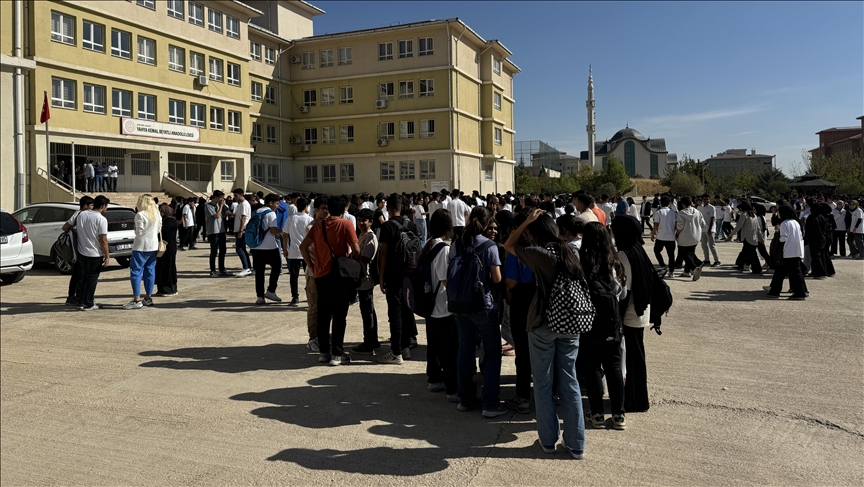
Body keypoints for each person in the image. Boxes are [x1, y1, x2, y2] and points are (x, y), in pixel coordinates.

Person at [504, 208, 585, 458]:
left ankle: (548, 440)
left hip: (544, 322)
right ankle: (576, 443)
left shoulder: (539, 254)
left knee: (542, 382)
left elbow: (509, 244)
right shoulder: (570, 252)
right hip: (571, 322)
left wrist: (527, 220)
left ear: (536, 233)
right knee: (569, 381)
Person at [448, 206, 505, 418]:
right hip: (483, 305)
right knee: (491, 353)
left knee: (465, 351)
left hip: (459, 305)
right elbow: (497, 278)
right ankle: (490, 403)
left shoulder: (457, 243)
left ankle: (466, 398)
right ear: (488, 223)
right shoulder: (489, 246)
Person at [300, 195, 361, 366]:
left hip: (321, 275)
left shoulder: (318, 226)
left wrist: (312, 265)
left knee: (323, 314)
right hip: (340, 275)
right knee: (340, 315)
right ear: (343, 210)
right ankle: (337, 353)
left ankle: (324, 352)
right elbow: (355, 249)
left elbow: (303, 246)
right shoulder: (346, 224)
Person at [579, 222, 627, 430]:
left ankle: (597, 413)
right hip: (612, 324)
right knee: (614, 368)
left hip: (589, 323)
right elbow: (622, 293)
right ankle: (618, 415)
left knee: (592, 369)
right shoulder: (614, 261)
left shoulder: (582, 262)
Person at [611, 215, 655, 414]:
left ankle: (636, 400)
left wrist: (616, 318)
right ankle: (636, 398)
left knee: (633, 358)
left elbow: (624, 292)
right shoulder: (638, 248)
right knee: (636, 356)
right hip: (641, 309)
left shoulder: (624, 254)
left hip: (632, 312)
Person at [421, 209, 459, 401]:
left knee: (434, 346)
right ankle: (453, 389)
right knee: (449, 351)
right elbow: (446, 280)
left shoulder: (429, 244)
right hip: (442, 306)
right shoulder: (443, 249)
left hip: (431, 305)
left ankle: (434, 379)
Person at [377, 194, 420, 364]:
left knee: (394, 312)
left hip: (393, 275)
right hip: (410, 274)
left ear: (388, 208)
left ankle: (396, 352)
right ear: (402, 207)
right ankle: (405, 347)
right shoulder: (412, 225)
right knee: (407, 309)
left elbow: (384, 254)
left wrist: (381, 277)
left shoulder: (387, 226)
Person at [502, 212, 535, 414]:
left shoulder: (516, 251)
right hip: (541, 300)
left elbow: (511, 282)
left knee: (522, 351)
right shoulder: (545, 248)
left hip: (522, 299)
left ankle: (522, 397)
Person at [350, 209, 381, 355]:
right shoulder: (362, 235)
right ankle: (372, 340)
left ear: (371, 222)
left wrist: (352, 256)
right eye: (359, 220)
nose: (361, 223)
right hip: (360, 278)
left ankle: (369, 343)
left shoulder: (370, 238)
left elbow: (364, 259)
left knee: (367, 311)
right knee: (368, 310)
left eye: (364, 221)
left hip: (365, 279)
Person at [124, 194, 162, 309]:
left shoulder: (140, 215)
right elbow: (159, 228)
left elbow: (139, 233)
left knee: (136, 271)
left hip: (141, 246)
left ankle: (137, 299)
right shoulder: (157, 214)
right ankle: (148, 297)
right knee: (150, 271)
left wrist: (135, 228)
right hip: (153, 246)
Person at [74, 195, 111, 310]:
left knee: (84, 277)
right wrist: (107, 255)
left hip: (81, 251)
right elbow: (103, 239)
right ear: (103, 206)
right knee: (92, 278)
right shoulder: (101, 219)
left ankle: (81, 301)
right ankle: (88, 303)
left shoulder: (82, 214)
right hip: (94, 253)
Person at [765, 205, 808, 299]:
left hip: (787, 252)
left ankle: (798, 293)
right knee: (792, 272)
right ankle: (776, 291)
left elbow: (783, 238)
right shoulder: (796, 222)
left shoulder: (784, 223)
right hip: (796, 251)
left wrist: (778, 236)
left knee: (782, 272)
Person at [61, 196, 95, 306]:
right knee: (80, 274)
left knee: (78, 274)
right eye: (91, 205)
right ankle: (77, 297)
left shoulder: (79, 214)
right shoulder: (79, 214)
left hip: (80, 249)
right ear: (85, 206)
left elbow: (66, 227)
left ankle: (73, 297)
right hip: (80, 249)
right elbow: (65, 227)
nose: (92, 208)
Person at [251, 194, 283, 305]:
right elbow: (273, 231)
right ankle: (271, 290)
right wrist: (283, 230)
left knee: (259, 272)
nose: (277, 206)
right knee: (277, 267)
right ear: (270, 203)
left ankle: (260, 297)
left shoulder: (256, 211)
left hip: (256, 246)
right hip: (269, 246)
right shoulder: (270, 213)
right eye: (277, 203)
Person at [283, 197, 313, 307]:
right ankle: (309, 295)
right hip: (307, 251)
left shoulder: (291, 219)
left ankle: (295, 297)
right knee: (309, 276)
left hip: (294, 251)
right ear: (306, 207)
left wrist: (285, 249)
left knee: (293, 276)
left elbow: (285, 235)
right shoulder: (309, 219)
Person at [674, 197, 705, 281]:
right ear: (691, 203)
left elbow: (680, 226)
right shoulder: (698, 212)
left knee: (684, 253)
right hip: (695, 236)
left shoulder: (681, 213)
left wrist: (677, 234)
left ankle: (695, 267)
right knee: (691, 252)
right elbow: (703, 224)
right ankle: (687, 271)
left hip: (684, 237)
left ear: (683, 204)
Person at [206, 191, 232, 277]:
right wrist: (221, 206)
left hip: (221, 231)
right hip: (213, 231)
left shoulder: (219, 205)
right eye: (221, 198)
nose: (222, 200)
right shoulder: (209, 206)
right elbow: (217, 215)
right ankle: (213, 270)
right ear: (216, 197)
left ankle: (222, 269)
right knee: (214, 251)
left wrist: (223, 206)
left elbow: (224, 213)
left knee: (223, 250)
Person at [733, 201, 763, 274]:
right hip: (754, 238)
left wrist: (731, 234)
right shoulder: (754, 215)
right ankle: (741, 265)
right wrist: (760, 237)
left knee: (752, 255)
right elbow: (758, 228)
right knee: (746, 253)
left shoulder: (744, 215)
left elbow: (739, 226)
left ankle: (757, 269)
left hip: (747, 238)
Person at [154, 204, 178, 296]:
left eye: (162, 211)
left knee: (168, 267)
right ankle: (162, 288)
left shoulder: (170, 221)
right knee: (161, 267)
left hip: (168, 247)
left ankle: (169, 289)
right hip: (163, 248)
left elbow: (162, 230)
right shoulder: (164, 220)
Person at [651, 196, 677, 277]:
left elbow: (656, 225)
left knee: (657, 251)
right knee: (671, 255)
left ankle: (663, 266)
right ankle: (671, 271)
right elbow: (676, 224)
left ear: (660, 203)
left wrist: (653, 233)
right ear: (669, 203)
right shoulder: (673, 212)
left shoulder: (659, 212)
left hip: (661, 236)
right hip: (671, 237)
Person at [232, 189, 252, 277]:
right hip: (240, 229)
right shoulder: (240, 204)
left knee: (239, 249)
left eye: (236, 195)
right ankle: (248, 267)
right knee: (242, 249)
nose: (235, 197)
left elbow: (244, 218)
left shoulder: (244, 204)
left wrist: (240, 231)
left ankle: (246, 268)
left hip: (242, 230)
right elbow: (239, 216)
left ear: (241, 195)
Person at [699, 194, 720, 267]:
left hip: (710, 229)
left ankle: (717, 261)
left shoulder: (712, 208)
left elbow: (712, 218)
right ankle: (707, 260)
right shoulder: (700, 207)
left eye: (707, 199)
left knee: (712, 245)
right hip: (702, 229)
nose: (706, 200)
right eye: (705, 199)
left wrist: (710, 229)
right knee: (704, 245)